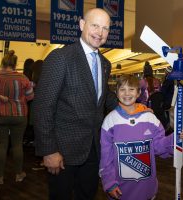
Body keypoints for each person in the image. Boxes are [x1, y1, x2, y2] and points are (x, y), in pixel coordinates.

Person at [33, 8, 118, 200]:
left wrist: (132, 108)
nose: (100, 32)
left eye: (105, 28)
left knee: (87, 195)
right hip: (62, 152)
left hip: (93, 149)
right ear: (82, 25)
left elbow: (103, 98)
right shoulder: (60, 57)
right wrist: (49, 150)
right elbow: (43, 107)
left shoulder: (105, 63)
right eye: (95, 25)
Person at [99, 75, 183, 200]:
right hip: (121, 189)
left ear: (139, 92)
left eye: (131, 89)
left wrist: (175, 138)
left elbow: (159, 146)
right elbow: (106, 158)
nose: (127, 93)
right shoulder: (109, 121)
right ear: (116, 93)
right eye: (122, 89)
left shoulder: (149, 118)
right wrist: (110, 184)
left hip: (146, 188)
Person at [0, 50, 34, 185]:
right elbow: (30, 97)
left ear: (2, 63)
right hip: (19, 116)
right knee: (17, 145)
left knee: (1, 146)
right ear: (14, 64)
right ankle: (19, 174)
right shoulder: (23, 79)